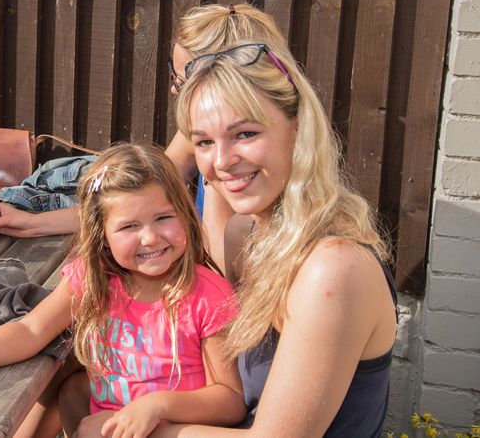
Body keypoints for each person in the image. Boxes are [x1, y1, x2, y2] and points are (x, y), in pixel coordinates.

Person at [149, 36, 397, 436]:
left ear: (297, 132)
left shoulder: (333, 268)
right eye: (205, 142)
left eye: (245, 134)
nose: (222, 161)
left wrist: (123, 429)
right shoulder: (246, 236)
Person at [0, 144, 245, 437]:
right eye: (129, 226)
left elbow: (230, 401)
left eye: (163, 218)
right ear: (102, 234)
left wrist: (157, 405)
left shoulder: (206, 296)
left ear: (186, 216)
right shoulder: (93, 280)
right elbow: (30, 330)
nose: (150, 237)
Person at [0, 4, 285, 275]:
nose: (174, 90)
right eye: (174, 76)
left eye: (183, 79)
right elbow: (136, 202)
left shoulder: (254, 167)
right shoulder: (202, 134)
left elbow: (225, 275)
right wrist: (34, 223)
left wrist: (213, 186)